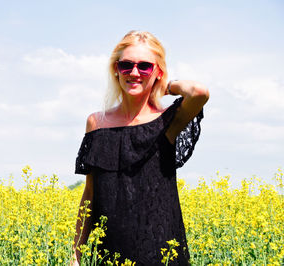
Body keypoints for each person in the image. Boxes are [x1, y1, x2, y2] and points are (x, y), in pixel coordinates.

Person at [72, 30, 209, 265]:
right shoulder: (95, 123)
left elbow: (198, 92)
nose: (134, 73)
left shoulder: (168, 122)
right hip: (108, 250)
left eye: (145, 66)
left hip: (161, 252)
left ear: (158, 72)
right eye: (126, 65)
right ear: (116, 69)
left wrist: (166, 85)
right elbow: (90, 196)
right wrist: (76, 254)